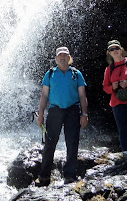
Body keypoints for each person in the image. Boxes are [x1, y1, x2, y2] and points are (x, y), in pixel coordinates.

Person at [35, 46, 89, 186]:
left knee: (72, 142)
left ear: (69, 58)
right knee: (50, 143)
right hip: (55, 110)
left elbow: (82, 95)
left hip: (72, 110)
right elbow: (44, 95)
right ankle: (44, 176)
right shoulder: (50, 73)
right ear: (56, 58)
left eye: (65, 55)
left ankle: (70, 176)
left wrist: (84, 114)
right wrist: (40, 114)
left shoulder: (76, 74)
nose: (62, 58)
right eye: (60, 56)